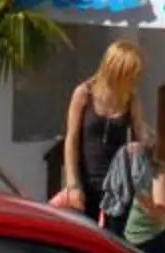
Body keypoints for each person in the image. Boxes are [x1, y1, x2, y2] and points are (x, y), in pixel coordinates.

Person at [51, 37, 154, 235]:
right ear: (116, 70)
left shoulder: (130, 99)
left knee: (113, 239)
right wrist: (73, 184)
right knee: (82, 236)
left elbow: (140, 133)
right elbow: (71, 140)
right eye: (130, 74)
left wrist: (147, 141)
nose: (134, 80)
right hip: (85, 182)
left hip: (116, 187)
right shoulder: (84, 94)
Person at [105, 136, 165, 253]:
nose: (132, 148)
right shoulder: (120, 169)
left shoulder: (158, 171)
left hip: (152, 246)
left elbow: (162, 215)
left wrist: (144, 200)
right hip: (126, 244)